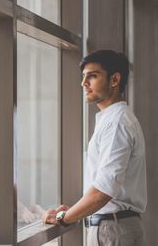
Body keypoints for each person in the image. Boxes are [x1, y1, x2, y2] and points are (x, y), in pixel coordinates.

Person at [43, 50, 147, 246]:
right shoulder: (113, 119)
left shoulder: (117, 123)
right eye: (83, 77)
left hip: (112, 231)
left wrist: (63, 218)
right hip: (113, 228)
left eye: (92, 75)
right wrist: (74, 210)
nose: (83, 83)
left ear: (114, 79)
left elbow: (103, 191)